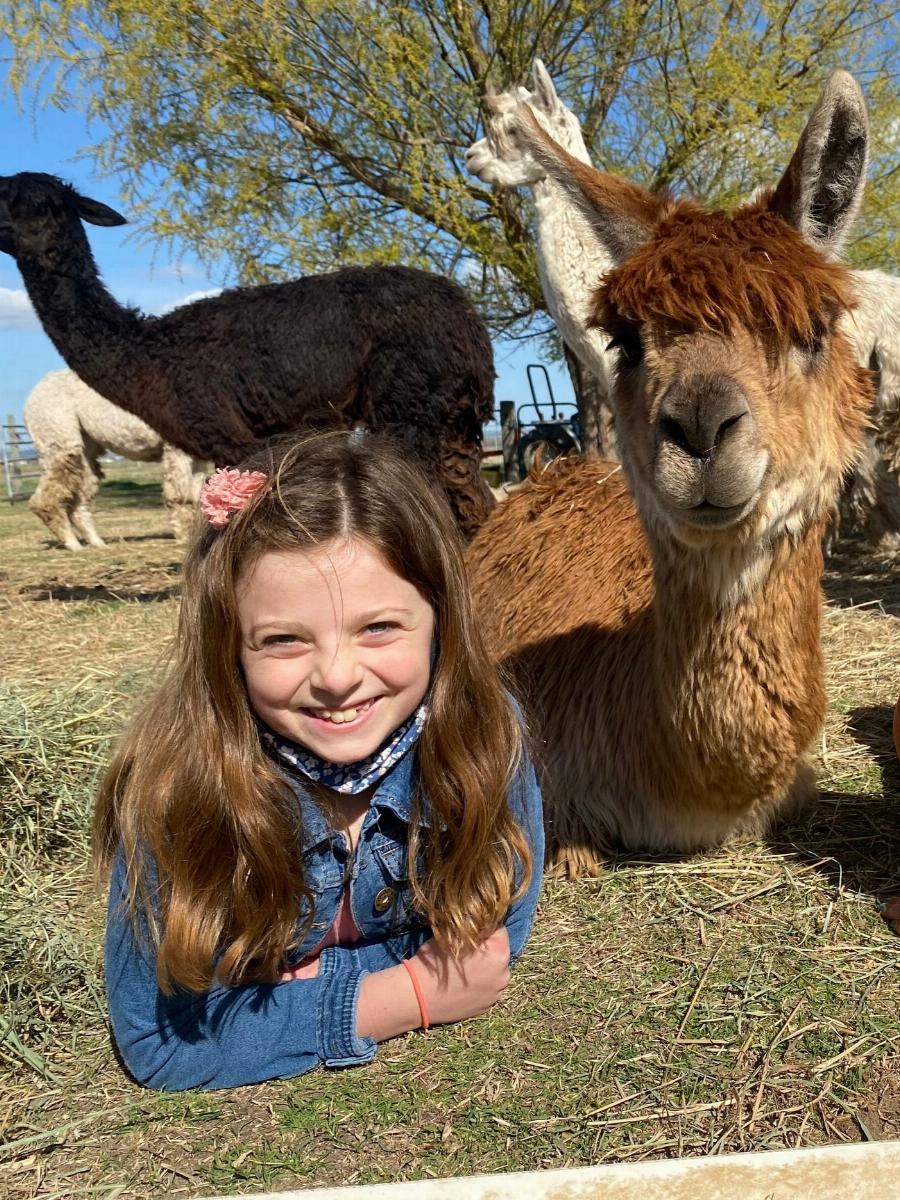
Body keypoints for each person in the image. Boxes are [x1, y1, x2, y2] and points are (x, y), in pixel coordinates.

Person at [95, 431, 543, 1090]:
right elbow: (160, 1037)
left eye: (378, 628)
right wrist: (404, 994)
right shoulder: (179, 789)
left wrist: (263, 1001)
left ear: (441, 622)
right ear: (230, 647)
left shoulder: (485, 736)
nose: (337, 678)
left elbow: (494, 941)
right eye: (283, 640)